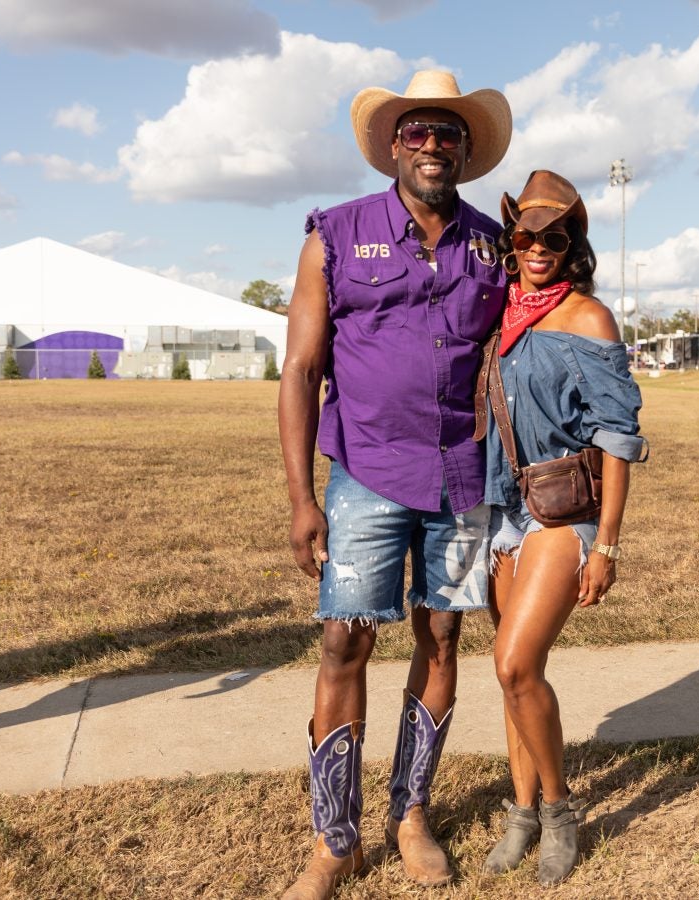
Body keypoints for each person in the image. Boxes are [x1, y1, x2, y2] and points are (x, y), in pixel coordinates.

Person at [278, 71, 511, 899]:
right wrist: (304, 498)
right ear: (391, 144)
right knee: (345, 639)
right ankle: (332, 840)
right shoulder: (334, 234)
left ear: (467, 149)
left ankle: (411, 814)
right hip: (365, 475)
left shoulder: (493, 244)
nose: (432, 145)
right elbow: (302, 368)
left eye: (448, 134)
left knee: (442, 640)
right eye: (417, 131)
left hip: (461, 476)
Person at [476, 171, 646, 885]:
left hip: (564, 509)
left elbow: (619, 435)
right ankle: (519, 813)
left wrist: (606, 542)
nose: (539, 247)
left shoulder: (587, 317)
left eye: (554, 236)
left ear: (573, 243)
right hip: (504, 509)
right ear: (510, 244)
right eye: (526, 235)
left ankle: (559, 811)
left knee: (515, 664)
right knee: (516, 677)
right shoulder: (502, 314)